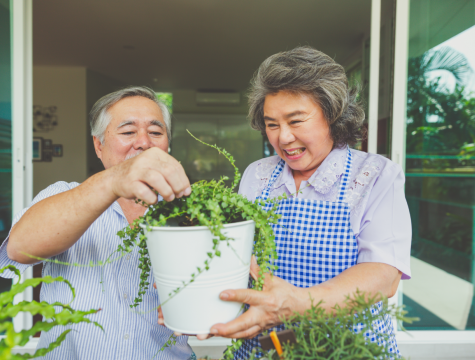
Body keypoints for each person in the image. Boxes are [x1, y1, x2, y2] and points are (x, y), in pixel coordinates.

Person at [206, 47, 412, 358]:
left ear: (333, 115)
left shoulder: (374, 175)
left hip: (346, 349)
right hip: (263, 348)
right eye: (272, 124)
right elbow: (235, 254)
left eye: (296, 121)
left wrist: (292, 304)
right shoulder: (257, 175)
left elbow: (383, 276)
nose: (283, 138)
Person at [0, 87, 195, 359]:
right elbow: (19, 248)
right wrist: (115, 179)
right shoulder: (63, 195)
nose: (143, 143)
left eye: (155, 132)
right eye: (128, 132)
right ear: (98, 145)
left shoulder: (194, 213)